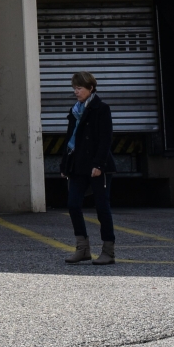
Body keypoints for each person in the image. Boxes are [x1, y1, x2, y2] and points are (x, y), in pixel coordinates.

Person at [59, 70, 115, 266]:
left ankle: (108, 251)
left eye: (79, 88)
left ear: (91, 88)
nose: (76, 91)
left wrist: (99, 164)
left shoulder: (101, 109)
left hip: (97, 166)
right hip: (77, 165)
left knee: (102, 208)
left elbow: (105, 139)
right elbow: (70, 139)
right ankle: (82, 249)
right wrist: (65, 164)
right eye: (74, 88)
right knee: (73, 204)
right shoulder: (75, 111)